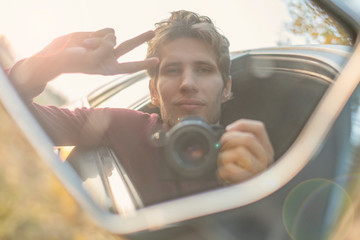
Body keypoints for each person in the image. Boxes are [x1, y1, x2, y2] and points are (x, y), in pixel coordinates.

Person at [6, 10, 274, 205]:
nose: (188, 83)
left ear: (226, 88)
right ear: (152, 92)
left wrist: (263, 189)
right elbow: (13, 118)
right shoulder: (120, 127)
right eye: (172, 70)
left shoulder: (245, 154)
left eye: (204, 70)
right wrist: (47, 65)